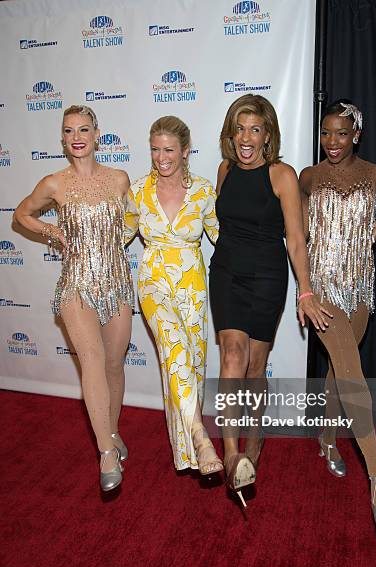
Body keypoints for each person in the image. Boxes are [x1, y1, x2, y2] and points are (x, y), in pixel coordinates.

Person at [299, 99, 376, 530]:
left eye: (341, 133)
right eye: (326, 132)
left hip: (361, 290)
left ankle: (328, 438)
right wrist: (305, 284)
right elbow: (294, 231)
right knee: (353, 375)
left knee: (340, 368)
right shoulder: (308, 177)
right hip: (323, 290)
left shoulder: (375, 174)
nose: (332, 142)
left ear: (356, 135)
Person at [210, 94, 332, 507]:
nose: (246, 137)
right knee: (231, 356)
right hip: (225, 272)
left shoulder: (282, 175)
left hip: (266, 276)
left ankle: (256, 445)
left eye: (255, 130)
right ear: (232, 133)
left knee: (255, 367)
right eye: (240, 128)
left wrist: (306, 289)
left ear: (267, 136)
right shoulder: (224, 170)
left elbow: (296, 240)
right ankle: (231, 456)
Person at [13, 105, 134, 492]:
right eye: (69, 131)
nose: (77, 137)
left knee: (115, 366)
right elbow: (21, 214)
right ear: (62, 139)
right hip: (76, 285)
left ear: (98, 133)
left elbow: (135, 219)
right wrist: (51, 231)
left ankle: (111, 432)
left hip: (116, 282)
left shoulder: (118, 179)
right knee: (93, 363)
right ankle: (106, 452)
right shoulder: (54, 184)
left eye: (84, 129)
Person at [125, 116, 223, 477]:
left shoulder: (203, 190)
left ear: (185, 151)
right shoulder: (137, 190)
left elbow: (221, 237)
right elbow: (120, 234)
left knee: (188, 363)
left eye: (168, 149)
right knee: (175, 348)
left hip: (193, 284)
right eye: (154, 149)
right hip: (153, 280)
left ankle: (187, 454)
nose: (161, 157)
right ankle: (199, 436)